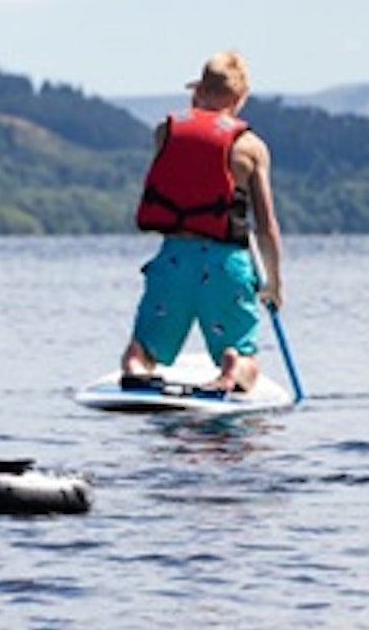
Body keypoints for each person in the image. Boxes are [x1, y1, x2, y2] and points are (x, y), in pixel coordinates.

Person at [119, 50, 283, 394]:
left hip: (174, 259)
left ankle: (136, 364)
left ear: (198, 91)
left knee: (144, 348)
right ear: (240, 98)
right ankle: (231, 368)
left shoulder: (165, 132)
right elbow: (266, 227)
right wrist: (274, 284)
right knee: (242, 353)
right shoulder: (251, 147)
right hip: (225, 264)